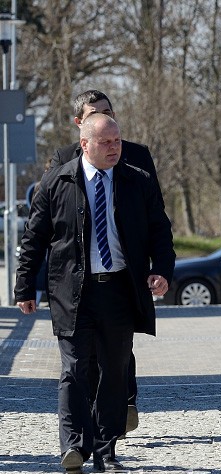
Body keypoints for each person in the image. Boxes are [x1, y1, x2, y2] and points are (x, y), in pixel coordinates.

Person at [15, 113, 174, 474]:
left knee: (114, 370)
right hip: (72, 292)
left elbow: (160, 231)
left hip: (118, 289)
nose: (114, 147)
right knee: (73, 369)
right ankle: (73, 445)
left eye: (117, 140)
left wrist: (162, 270)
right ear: (84, 144)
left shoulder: (137, 181)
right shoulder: (58, 181)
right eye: (106, 142)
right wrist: (25, 286)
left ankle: (106, 447)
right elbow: (35, 239)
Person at [47, 89, 161, 436]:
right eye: (96, 113)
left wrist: (158, 267)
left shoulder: (137, 157)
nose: (114, 145)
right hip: (80, 282)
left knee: (118, 356)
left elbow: (155, 217)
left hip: (122, 278)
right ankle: (85, 435)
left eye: (109, 111)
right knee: (83, 361)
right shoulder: (63, 163)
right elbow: (46, 223)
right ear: (80, 125)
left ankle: (120, 411)